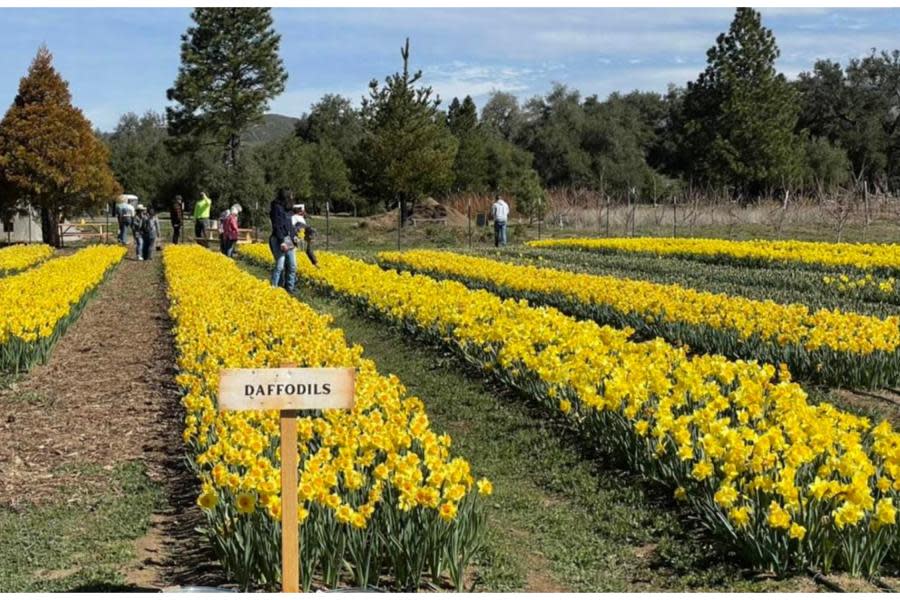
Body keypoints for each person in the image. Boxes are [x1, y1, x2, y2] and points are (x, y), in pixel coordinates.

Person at [269, 188, 296, 292]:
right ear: (287, 196)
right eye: (291, 195)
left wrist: (294, 237)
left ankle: (290, 288)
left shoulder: (288, 209)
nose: (293, 197)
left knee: (292, 265)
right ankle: (274, 288)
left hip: (288, 238)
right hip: (279, 238)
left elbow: (290, 225)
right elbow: (277, 226)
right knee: (280, 265)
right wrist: (282, 242)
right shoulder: (277, 208)